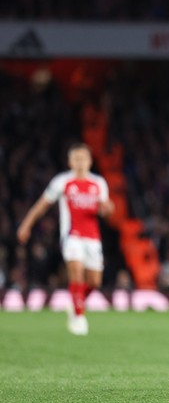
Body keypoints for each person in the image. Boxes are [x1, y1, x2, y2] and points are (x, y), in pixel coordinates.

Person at [17, 143, 114, 335]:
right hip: (72, 235)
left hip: (93, 238)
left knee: (94, 282)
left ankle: (75, 302)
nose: (80, 162)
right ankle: (79, 317)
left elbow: (107, 207)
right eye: (76, 159)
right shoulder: (62, 182)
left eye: (83, 158)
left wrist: (108, 209)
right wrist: (26, 225)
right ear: (70, 162)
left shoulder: (98, 183)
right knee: (76, 272)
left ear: (90, 161)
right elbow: (42, 205)